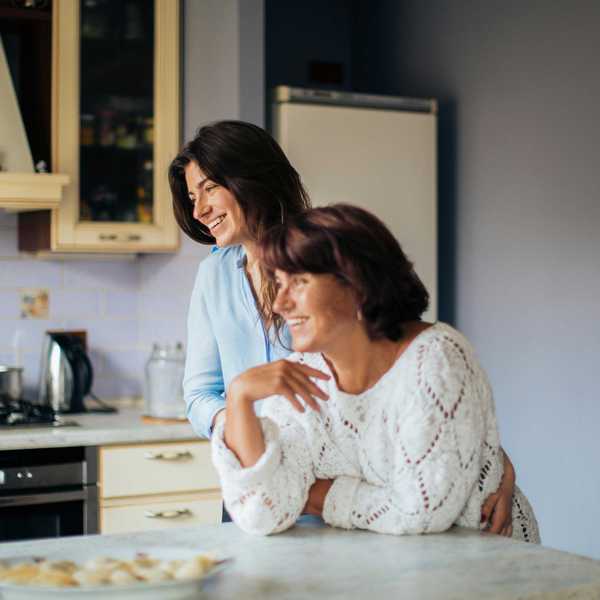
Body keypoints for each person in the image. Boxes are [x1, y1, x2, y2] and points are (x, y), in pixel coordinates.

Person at [169, 120, 516, 535]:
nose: (199, 210)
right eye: (192, 197)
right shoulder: (214, 276)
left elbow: (412, 378)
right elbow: (199, 394)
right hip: (264, 477)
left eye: (209, 188)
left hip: (356, 486)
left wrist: (488, 462)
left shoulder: (328, 249)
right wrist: (249, 426)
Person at [211, 204, 540, 542]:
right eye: (278, 283)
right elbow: (264, 511)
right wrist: (239, 397)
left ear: (356, 284)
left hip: (489, 571)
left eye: (298, 282)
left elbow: (421, 511)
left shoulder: (436, 357)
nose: (280, 303)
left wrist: (316, 495)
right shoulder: (305, 374)